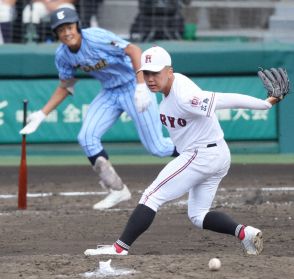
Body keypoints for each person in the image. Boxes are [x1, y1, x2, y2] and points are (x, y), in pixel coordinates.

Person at [84, 46, 289, 257]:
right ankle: (245, 233)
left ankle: (119, 248)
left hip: (201, 155)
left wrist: (265, 104)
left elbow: (223, 99)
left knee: (151, 196)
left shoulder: (184, 96)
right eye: (146, 73)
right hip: (216, 155)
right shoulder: (173, 86)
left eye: (156, 72)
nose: (151, 78)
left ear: (169, 71)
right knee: (198, 215)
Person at [19, 10, 178, 210]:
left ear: (77, 26)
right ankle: (117, 189)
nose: (67, 32)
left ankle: (196, 154)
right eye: (61, 30)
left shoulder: (95, 37)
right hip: (110, 92)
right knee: (86, 137)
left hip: (132, 84)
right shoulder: (62, 55)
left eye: (69, 27)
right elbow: (66, 86)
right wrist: (42, 114)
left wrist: (141, 85)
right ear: (56, 34)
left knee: (158, 148)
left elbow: (134, 50)